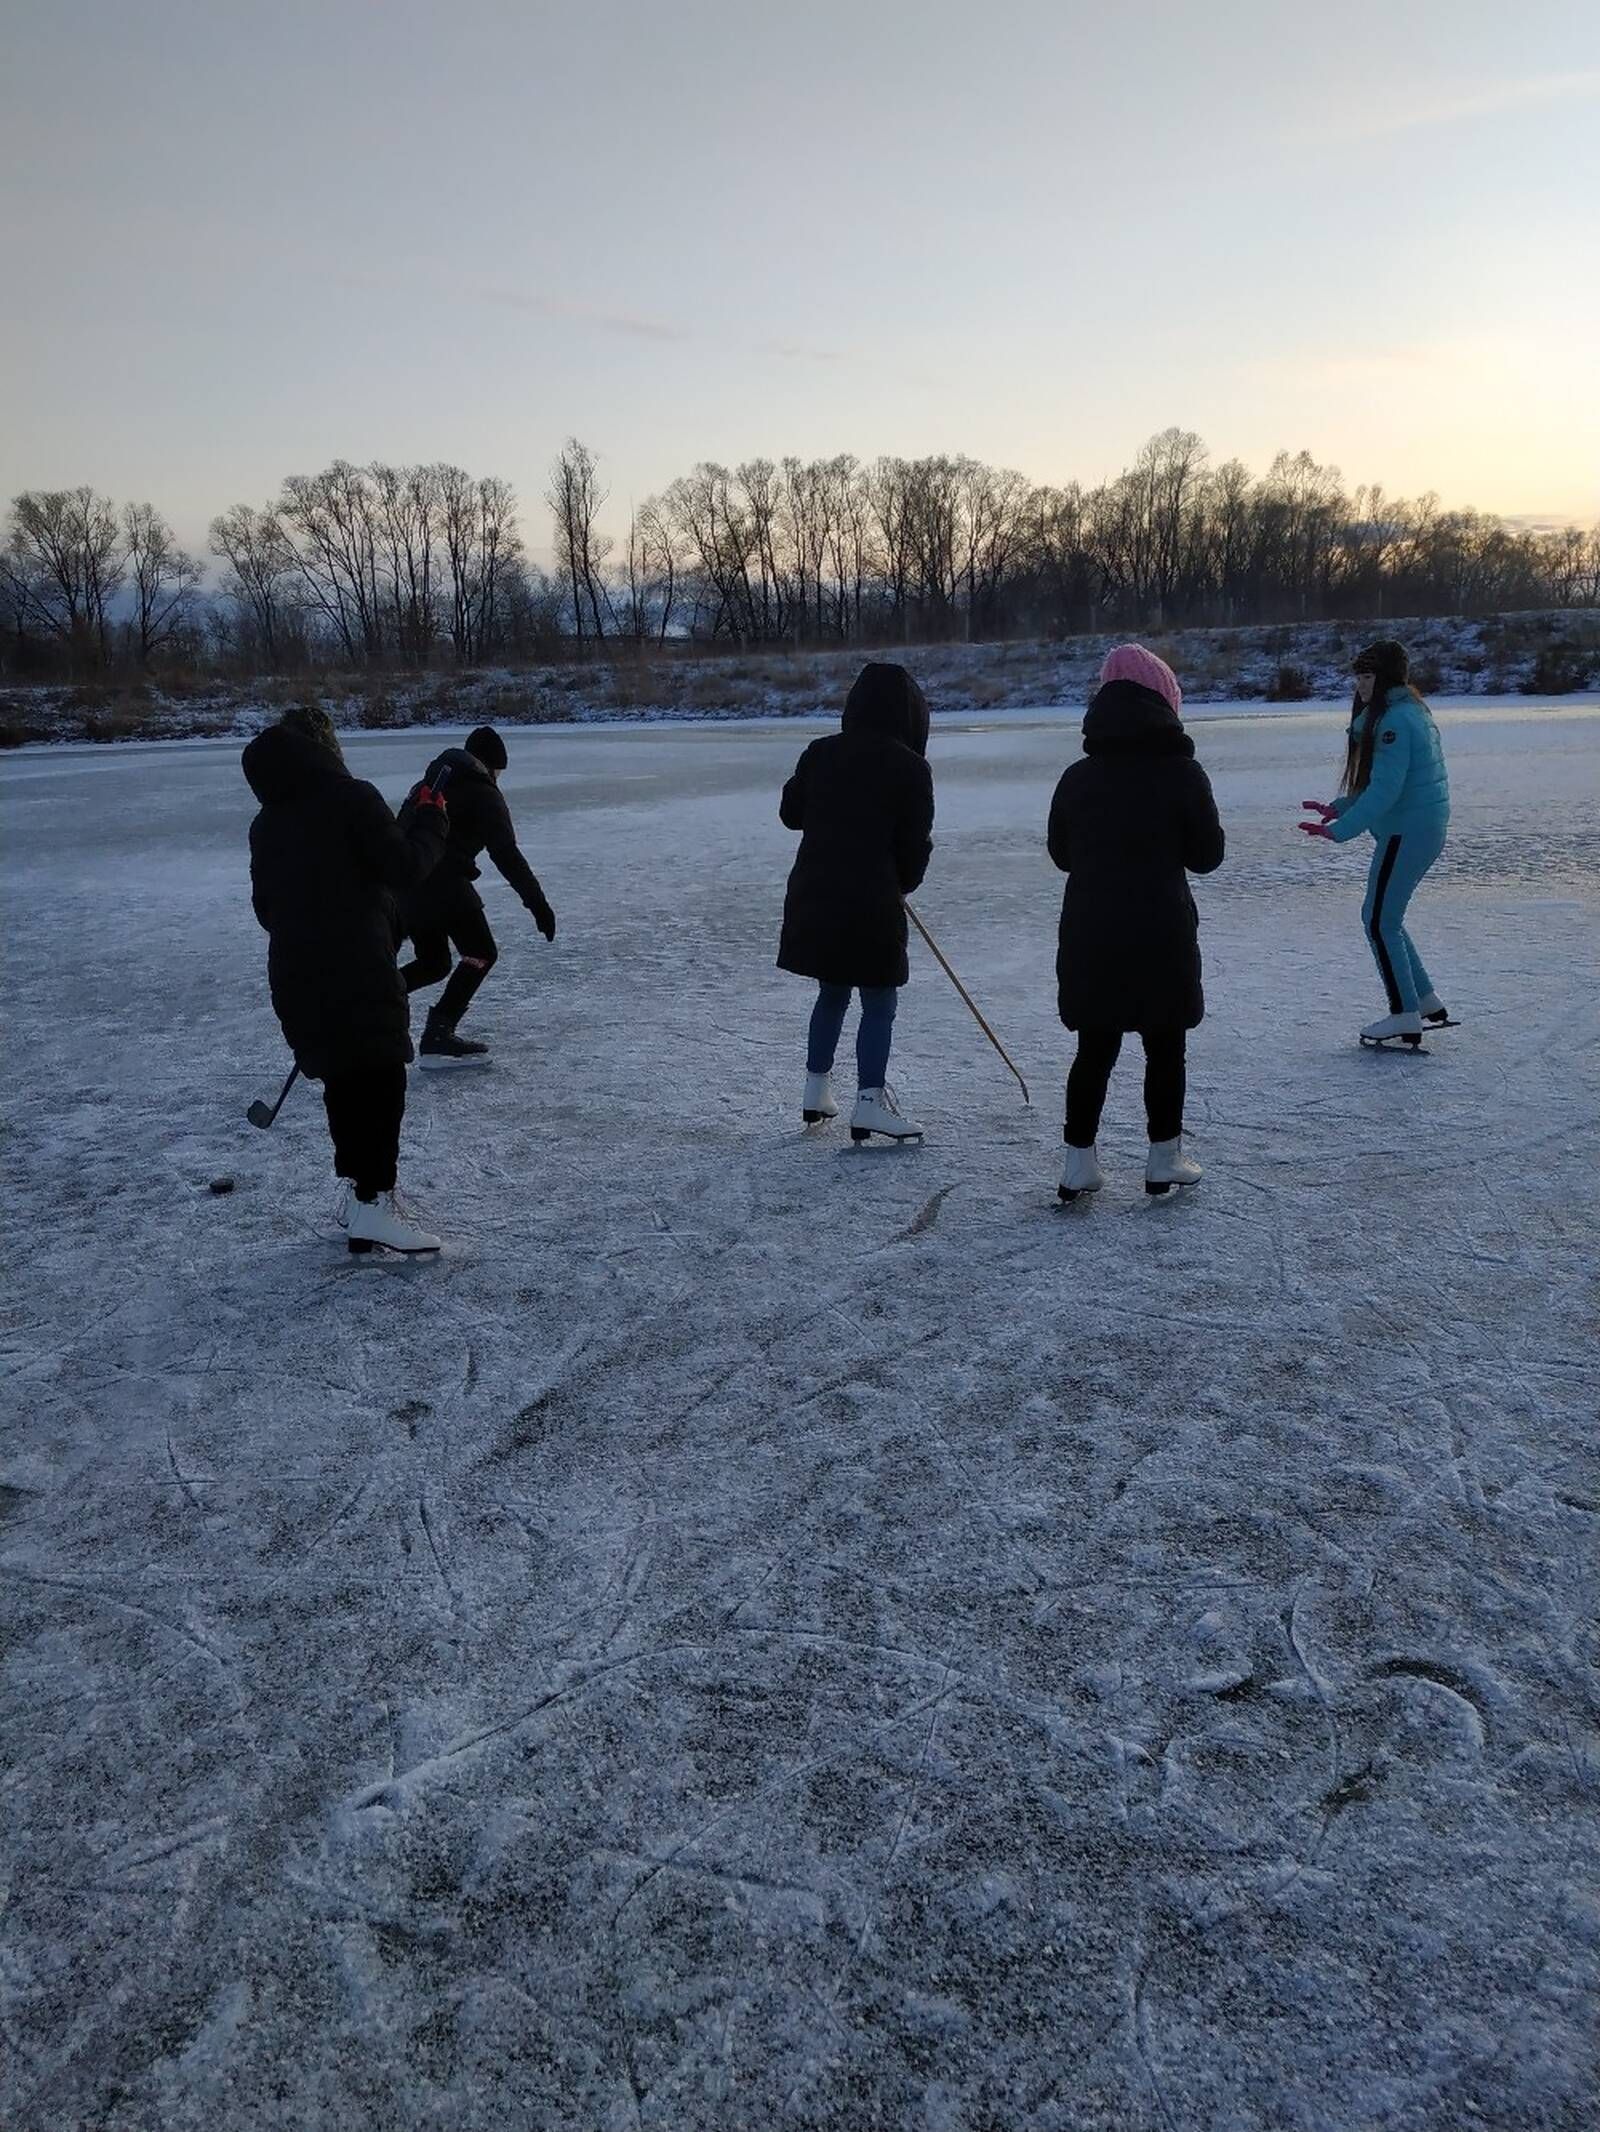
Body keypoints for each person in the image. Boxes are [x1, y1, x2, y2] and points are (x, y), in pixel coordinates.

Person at [243, 706, 449, 1255]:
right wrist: (431, 819)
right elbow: (405, 867)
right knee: (380, 1080)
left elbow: (267, 909)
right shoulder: (353, 797)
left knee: (345, 1078)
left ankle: (359, 1202)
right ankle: (374, 1201)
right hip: (356, 969)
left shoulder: (266, 824)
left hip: (296, 978)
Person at [1047, 644, 1225, 1201]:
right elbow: (1207, 855)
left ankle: (1079, 1163)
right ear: (1166, 703)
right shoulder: (1182, 773)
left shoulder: (1077, 777)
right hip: (1160, 931)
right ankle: (1163, 1157)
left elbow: (1061, 854)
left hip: (1091, 929)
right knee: (1164, 1044)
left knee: (1094, 1048)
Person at [777, 661, 935, 1142]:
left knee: (832, 993)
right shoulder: (910, 767)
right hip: (871, 903)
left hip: (817, 894)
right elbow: (914, 847)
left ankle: (815, 1090)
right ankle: (869, 1102)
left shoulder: (820, 753)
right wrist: (900, 883)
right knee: (879, 1002)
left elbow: (790, 813)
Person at [1299, 640, 1451, 1048]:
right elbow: (1385, 785)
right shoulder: (1411, 712)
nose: (1360, 686)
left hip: (1407, 832)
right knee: (1387, 918)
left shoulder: (1392, 724)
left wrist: (1341, 829)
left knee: (1378, 920)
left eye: (1367, 677)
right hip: (1419, 828)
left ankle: (1404, 1013)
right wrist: (1339, 808)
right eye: (1358, 677)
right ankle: (1423, 998)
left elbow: (1385, 791)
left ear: (1384, 680)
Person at [398, 725, 557, 1066]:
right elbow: (507, 854)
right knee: (481, 953)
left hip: (409, 887)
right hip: (447, 886)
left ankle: (377, 995)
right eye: (499, 771)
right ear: (491, 765)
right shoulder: (484, 791)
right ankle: (439, 1033)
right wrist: (539, 905)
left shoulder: (426, 784)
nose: (498, 778)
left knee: (434, 963)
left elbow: (397, 839)